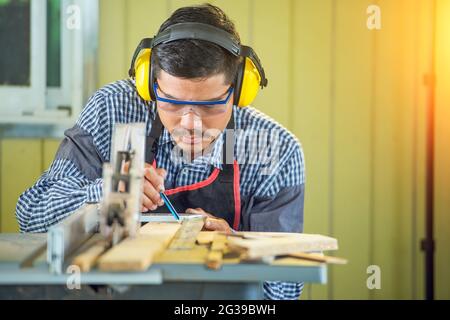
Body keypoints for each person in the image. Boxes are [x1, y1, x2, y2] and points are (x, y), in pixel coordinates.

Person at [16, 4, 305, 300]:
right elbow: (31, 216)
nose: (191, 123)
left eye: (211, 104)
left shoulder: (272, 148)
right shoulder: (114, 111)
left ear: (241, 88)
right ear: (150, 86)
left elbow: (283, 291)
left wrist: (241, 251)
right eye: (173, 102)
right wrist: (106, 194)